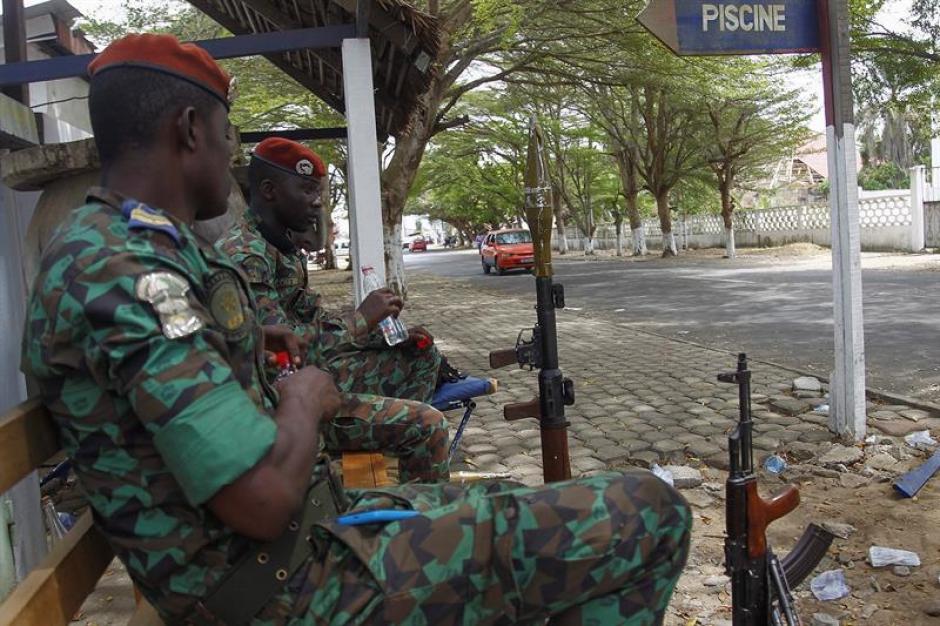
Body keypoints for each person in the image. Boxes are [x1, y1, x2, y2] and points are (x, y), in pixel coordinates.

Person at [22, 33, 692, 626]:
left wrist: (250, 344)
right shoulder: (124, 271)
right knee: (648, 514)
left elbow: (177, 377)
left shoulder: (129, 248)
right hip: (284, 586)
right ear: (190, 129)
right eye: (228, 136)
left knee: (520, 502)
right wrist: (304, 399)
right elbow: (260, 502)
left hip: (292, 546)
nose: (231, 158)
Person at [218, 138, 458, 404]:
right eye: (307, 191)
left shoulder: (279, 246)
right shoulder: (247, 254)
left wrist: (380, 336)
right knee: (423, 397)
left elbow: (313, 318)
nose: (317, 202)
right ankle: (365, 436)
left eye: (317, 192)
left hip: (303, 372)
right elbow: (282, 352)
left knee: (418, 350)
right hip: (277, 391)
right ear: (269, 190)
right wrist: (361, 319)